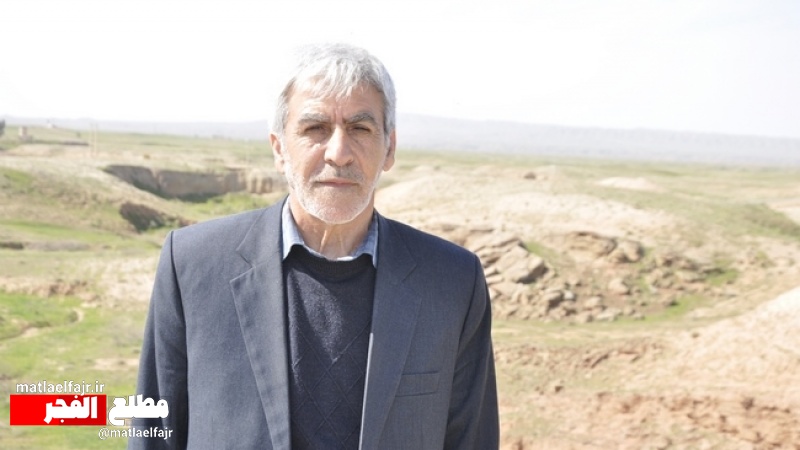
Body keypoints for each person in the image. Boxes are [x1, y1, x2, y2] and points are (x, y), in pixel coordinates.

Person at [129, 43, 498, 450]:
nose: (338, 153)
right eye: (315, 129)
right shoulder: (193, 265)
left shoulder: (451, 282)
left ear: (389, 148)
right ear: (279, 149)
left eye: (360, 129)